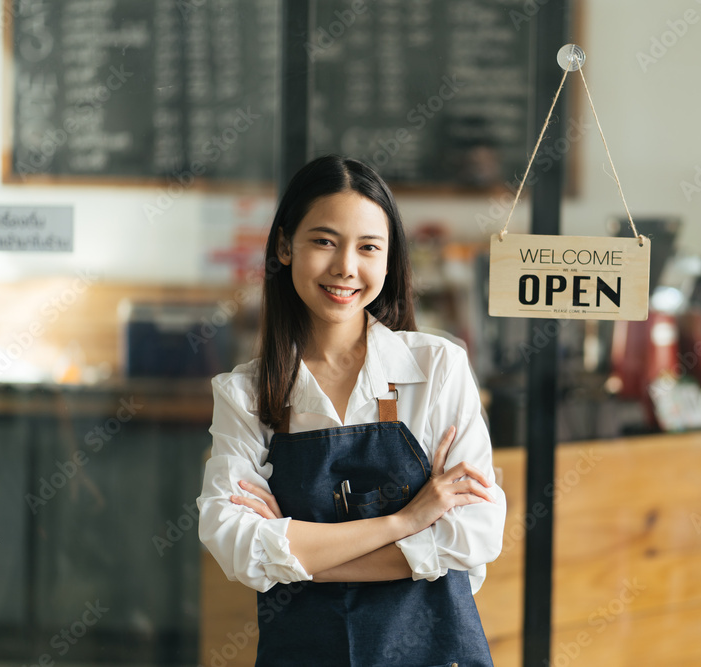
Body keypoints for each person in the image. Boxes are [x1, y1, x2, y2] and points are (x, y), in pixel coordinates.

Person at [196, 155, 506, 666]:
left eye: (368, 247)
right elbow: (234, 542)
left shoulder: (438, 368)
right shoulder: (245, 394)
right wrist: (406, 520)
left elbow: (475, 533)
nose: (345, 267)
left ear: (388, 261)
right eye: (324, 241)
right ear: (283, 246)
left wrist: (296, 553)